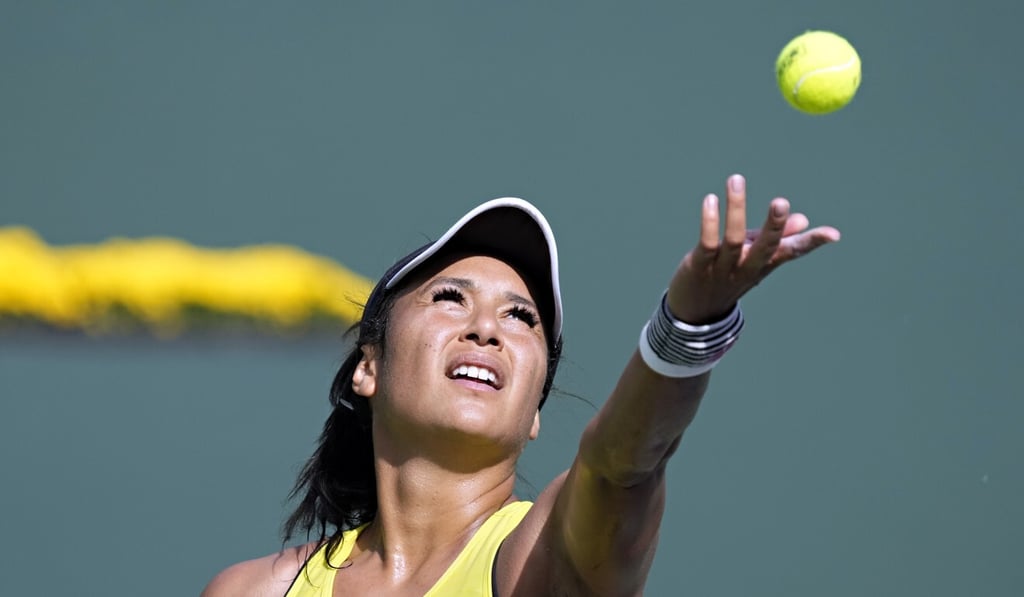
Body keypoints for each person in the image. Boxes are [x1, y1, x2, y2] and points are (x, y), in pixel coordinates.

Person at [202, 174, 840, 596]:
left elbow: (620, 470)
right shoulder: (251, 591)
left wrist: (690, 323)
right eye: (450, 297)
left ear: (534, 410)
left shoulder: (536, 559)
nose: (487, 329)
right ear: (368, 366)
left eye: (520, 317)